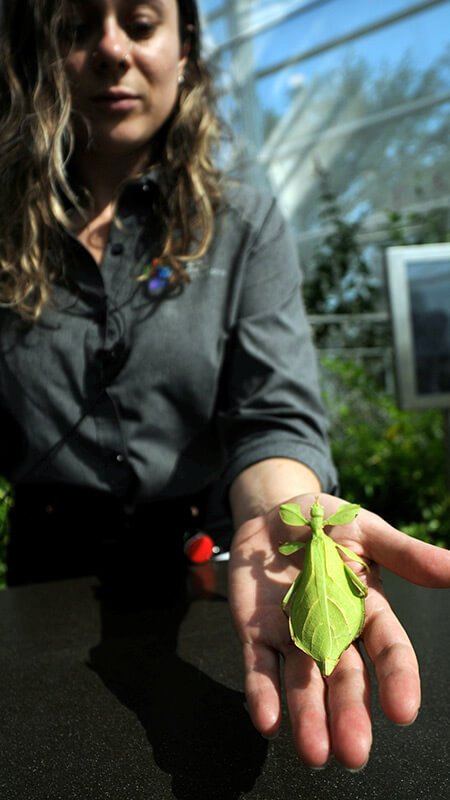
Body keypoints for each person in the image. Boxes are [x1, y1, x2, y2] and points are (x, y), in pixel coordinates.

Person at [0, 0, 448, 773]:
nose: (112, 50)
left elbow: (270, 412)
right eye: (77, 27)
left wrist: (284, 514)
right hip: (50, 566)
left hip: (212, 556)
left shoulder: (239, 222)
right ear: (40, 55)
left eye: (140, 22)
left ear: (185, 51)